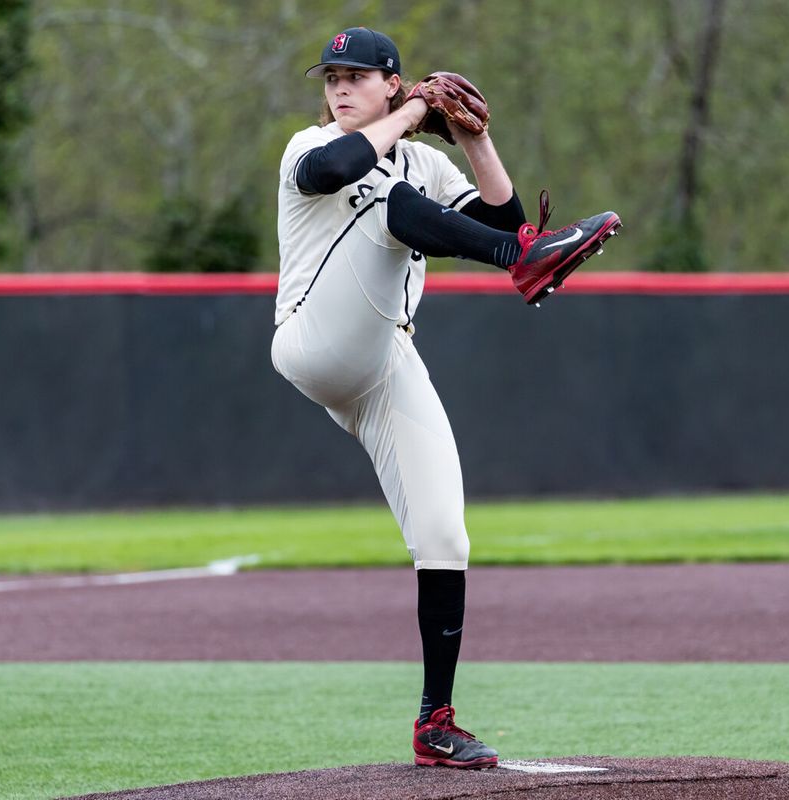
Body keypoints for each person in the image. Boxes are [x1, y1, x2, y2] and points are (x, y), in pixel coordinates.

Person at [271, 27, 621, 769]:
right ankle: (528, 267)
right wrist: (412, 110)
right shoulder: (308, 145)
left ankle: (436, 721)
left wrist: (473, 139)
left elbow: (497, 219)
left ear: (390, 82)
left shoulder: (422, 161)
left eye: (357, 76)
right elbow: (339, 167)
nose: (339, 87)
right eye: (331, 75)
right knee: (385, 205)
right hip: (312, 338)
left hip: (383, 361)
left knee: (444, 538)